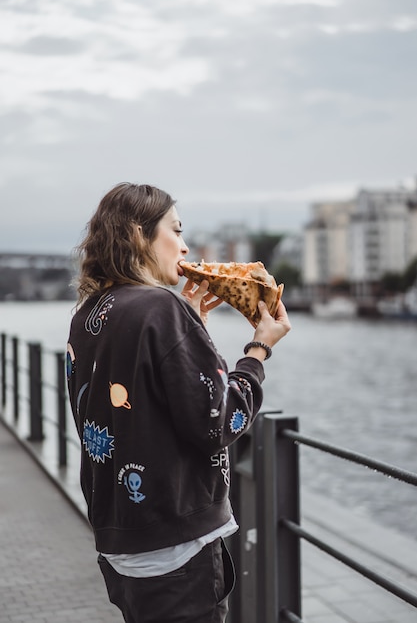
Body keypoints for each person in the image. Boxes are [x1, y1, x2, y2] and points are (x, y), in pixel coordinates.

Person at [66, 182, 291, 623]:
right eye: (176, 229)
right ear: (137, 235)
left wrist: (194, 330)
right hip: (177, 548)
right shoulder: (161, 309)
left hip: (121, 542)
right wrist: (258, 351)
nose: (186, 246)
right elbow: (220, 422)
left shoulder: (89, 314)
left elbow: (141, 401)